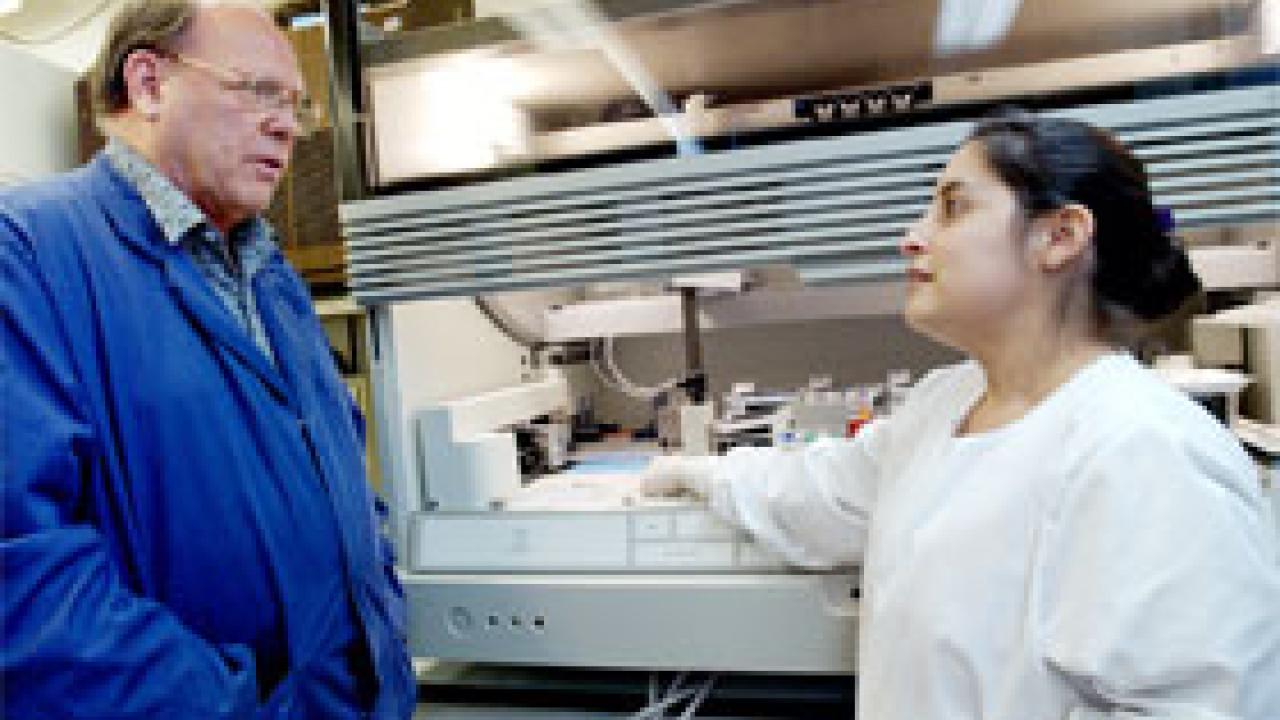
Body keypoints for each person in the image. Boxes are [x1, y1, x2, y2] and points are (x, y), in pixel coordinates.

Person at [646, 112, 1280, 719]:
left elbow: (1200, 706)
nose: (912, 236)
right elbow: (821, 496)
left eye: (953, 206)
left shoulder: (1143, 447)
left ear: (1058, 237)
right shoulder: (944, 404)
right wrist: (698, 473)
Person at [1, 2, 415, 717]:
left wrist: (383, 633)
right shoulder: (29, 256)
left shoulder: (268, 274)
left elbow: (342, 479)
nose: (287, 125)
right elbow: (24, 581)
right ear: (150, 85)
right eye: (257, 90)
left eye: (294, 103)